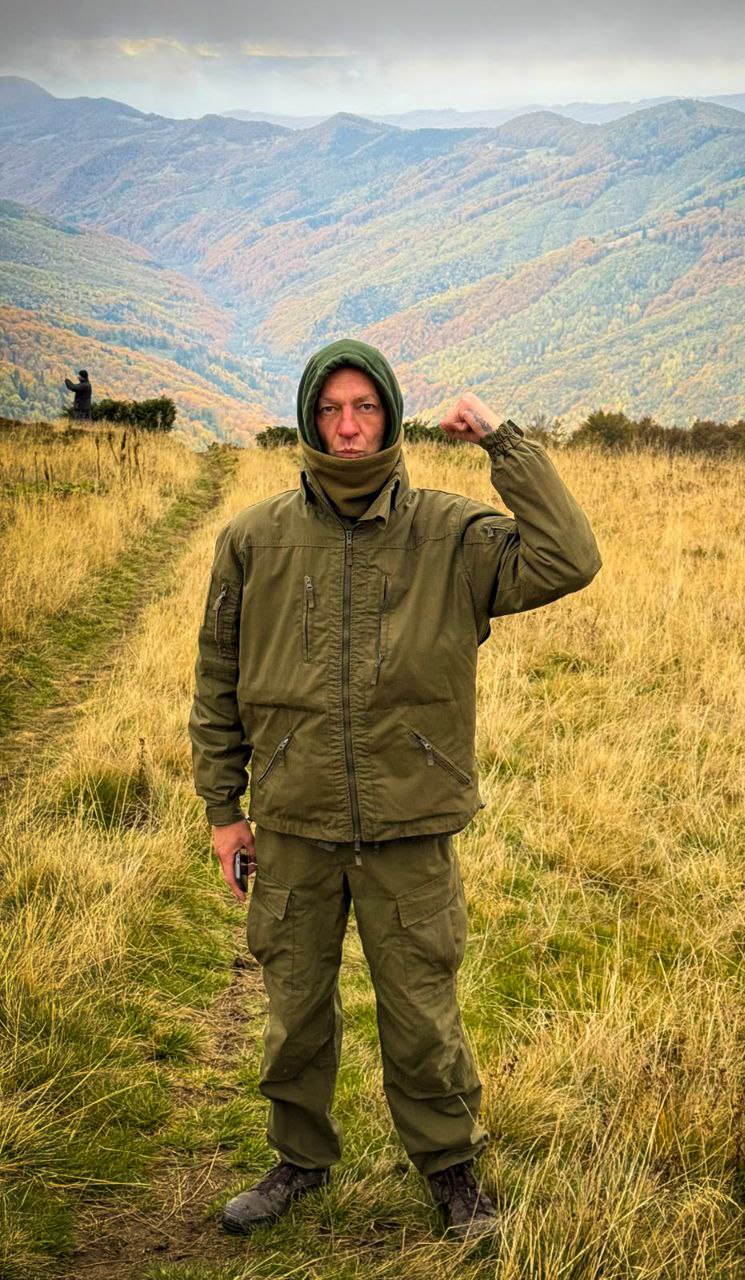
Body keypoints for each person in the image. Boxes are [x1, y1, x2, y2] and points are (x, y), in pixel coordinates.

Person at [188, 338, 601, 1242]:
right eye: (330, 409)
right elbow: (217, 681)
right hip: (293, 821)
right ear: (309, 420)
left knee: (422, 1015)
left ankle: (453, 1173)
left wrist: (503, 443)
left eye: (365, 407)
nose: (347, 427)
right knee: (295, 1011)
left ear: (391, 416)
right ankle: (298, 1163)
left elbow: (570, 558)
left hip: (409, 825)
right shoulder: (252, 540)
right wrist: (225, 811)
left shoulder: (452, 536)